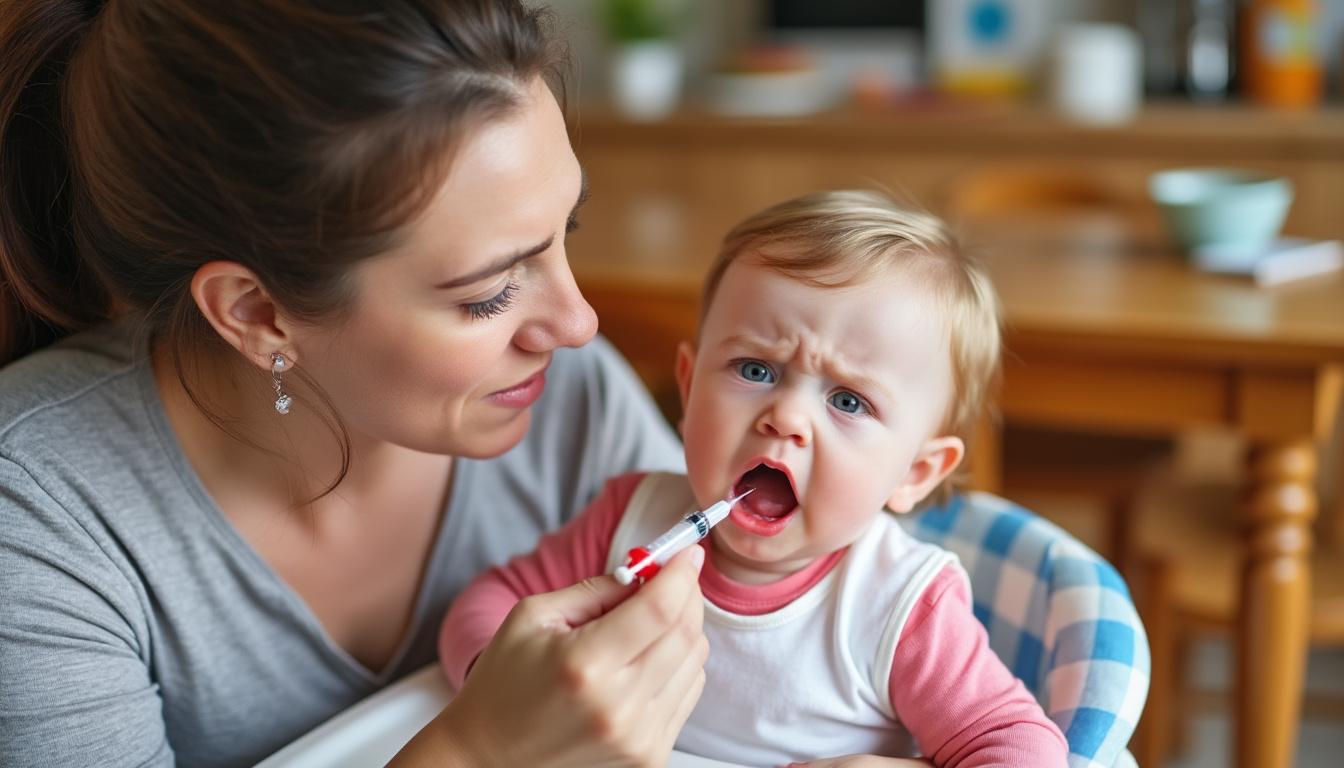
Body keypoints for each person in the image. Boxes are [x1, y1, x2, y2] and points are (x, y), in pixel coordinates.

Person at [0, 2, 712, 766]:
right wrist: (474, 752)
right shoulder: (38, 517)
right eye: (489, 293)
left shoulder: (576, 400)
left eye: (561, 235)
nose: (577, 325)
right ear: (258, 313)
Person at [439, 190, 1072, 767]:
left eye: (849, 402)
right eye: (755, 370)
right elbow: (492, 605)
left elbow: (1023, 749)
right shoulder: (629, 517)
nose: (787, 418)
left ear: (915, 473)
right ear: (688, 389)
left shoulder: (901, 608)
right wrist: (508, 695)